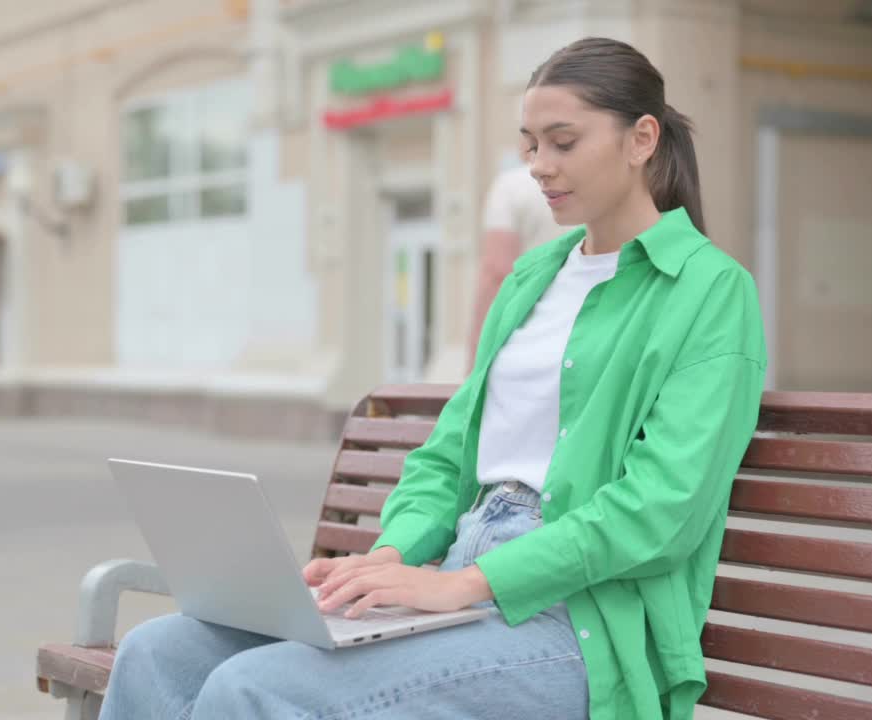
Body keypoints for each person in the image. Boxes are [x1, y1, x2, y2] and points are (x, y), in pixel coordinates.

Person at [98, 36, 767, 720]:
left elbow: (663, 509)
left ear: (641, 139)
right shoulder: (534, 277)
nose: (539, 166)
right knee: (159, 653)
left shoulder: (709, 291)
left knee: (256, 689)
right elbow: (448, 455)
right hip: (459, 573)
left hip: (580, 620)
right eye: (530, 144)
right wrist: (390, 557)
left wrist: (472, 583)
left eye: (562, 142)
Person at [468, 162, 565, 372]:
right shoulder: (594, 188)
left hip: (525, 338)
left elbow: (496, 271)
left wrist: (475, 360)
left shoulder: (510, 186)